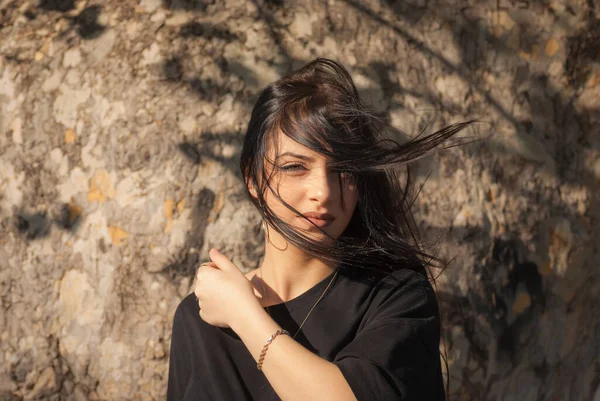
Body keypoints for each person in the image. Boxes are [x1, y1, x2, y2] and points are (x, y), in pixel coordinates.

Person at [167, 58, 474, 401]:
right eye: (295, 167)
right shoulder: (200, 318)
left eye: (342, 170)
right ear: (252, 178)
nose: (323, 192)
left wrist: (244, 315)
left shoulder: (397, 297)